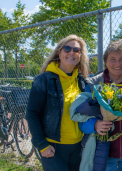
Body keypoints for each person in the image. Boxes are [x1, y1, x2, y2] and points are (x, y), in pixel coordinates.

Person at [78, 40, 122, 171]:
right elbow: (80, 115)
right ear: (105, 61)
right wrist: (94, 124)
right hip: (103, 151)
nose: (117, 64)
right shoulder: (94, 84)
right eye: (113, 59)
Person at [26, 34, 90, 171]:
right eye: (67, 48)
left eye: (76, 50)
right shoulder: (44, 80)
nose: (71, 52)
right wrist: (42, 145)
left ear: (80, 56)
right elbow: (32, 113)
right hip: (53, 147)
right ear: (59, 52)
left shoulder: (83, 82)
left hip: (78, 146)